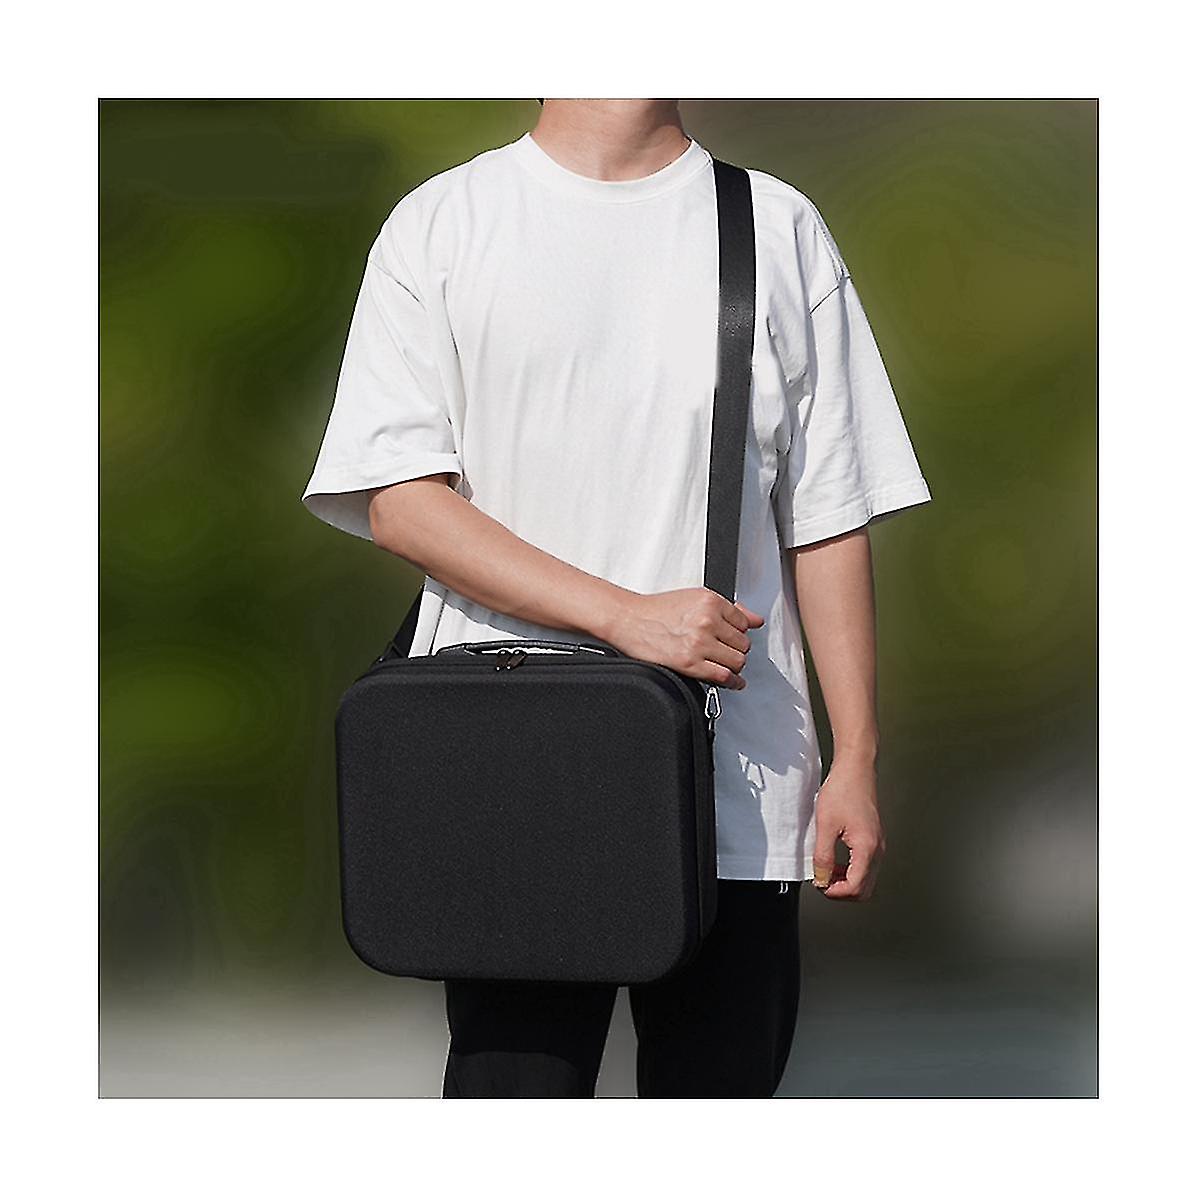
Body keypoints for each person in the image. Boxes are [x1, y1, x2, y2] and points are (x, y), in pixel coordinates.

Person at [301, 99, 931, 1098]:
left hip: (740, 783)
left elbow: (827, 515)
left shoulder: (774, 226)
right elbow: (401, 502)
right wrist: (623, 615)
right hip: (511, 777)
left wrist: (855, 757)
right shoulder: (445, 222)